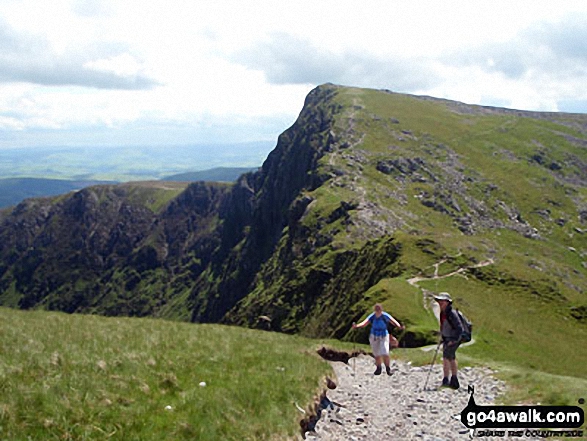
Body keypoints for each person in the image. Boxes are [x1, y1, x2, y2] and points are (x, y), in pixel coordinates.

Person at [352, 303, 404, 376]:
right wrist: (357, 326)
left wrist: (399, 326)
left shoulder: (385, 316)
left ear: (381, 309)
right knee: (376, 353)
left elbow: (393, 321)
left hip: (384, 335)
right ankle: (378, 368)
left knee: (385, 352)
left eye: (378, 309)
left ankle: (388, 368)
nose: (377, 311)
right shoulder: (372, 316)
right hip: (374, 336)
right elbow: (364, 323)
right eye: (376, 309)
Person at [434, 292, 464, 389]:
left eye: (442, 301)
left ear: (447, 302)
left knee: (449, 357)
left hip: (452, 339)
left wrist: (454, 340)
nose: (440, 303)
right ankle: (449, 379)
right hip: (447, 338)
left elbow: (460, 328)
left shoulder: (451, 313)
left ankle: (451, 379)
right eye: (439, 301)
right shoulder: (444, 312)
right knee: (448, 357)